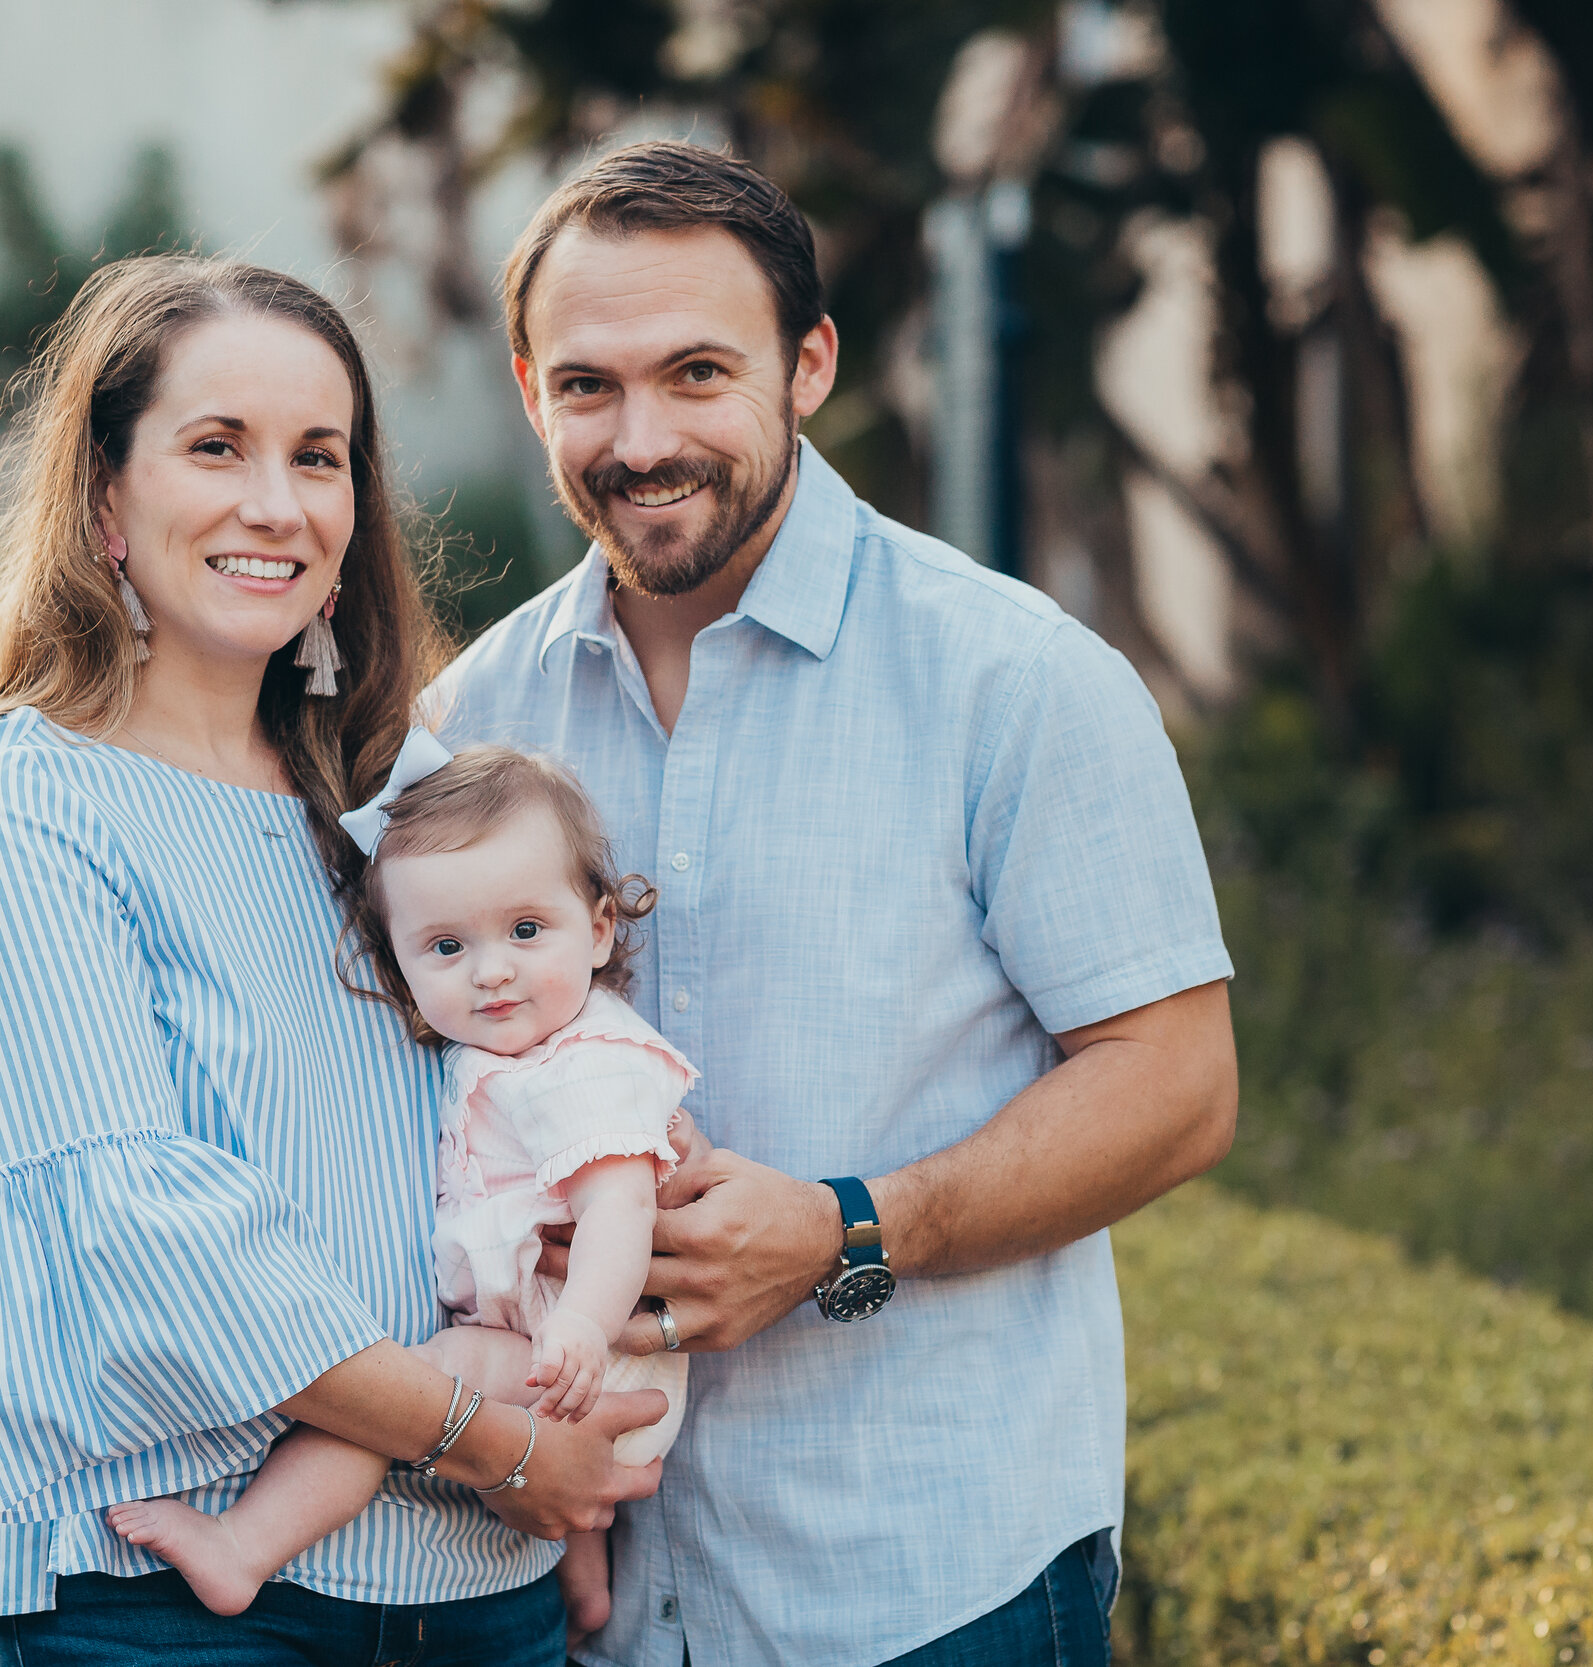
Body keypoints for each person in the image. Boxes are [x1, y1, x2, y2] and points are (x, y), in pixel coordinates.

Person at [434, 142, 1242, 1666]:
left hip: (934, 1579)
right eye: (592, 386)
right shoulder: (476, 720)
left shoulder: (1016, 680)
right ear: (534, 392)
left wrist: (847, 1229)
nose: (644, 435)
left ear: (809, 366)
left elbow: (1180, 1086)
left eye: (696, 372)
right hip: (580, 1601)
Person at [0, 255, 665, 1663]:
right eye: (217, 447)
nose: (276, 505)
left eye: (320, 457)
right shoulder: (16, 808)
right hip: (172, 1592)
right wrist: (494, 1439)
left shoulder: (396, 802)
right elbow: (146, 1241)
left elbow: (569, 1057)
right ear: (105, 500)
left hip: (480, 1588)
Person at [105, 735, 696, 1637]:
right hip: (558, 1340)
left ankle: (245, 1546)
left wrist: (582, 1321)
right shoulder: (511, 1049)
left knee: (421, 1386)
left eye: (527, 930)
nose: (491, 969)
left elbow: (620, 1205)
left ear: (603, 926)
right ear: (402, 962)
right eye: (447, 945)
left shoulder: (588, 1066)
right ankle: (586, 1589)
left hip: (591, 1350)